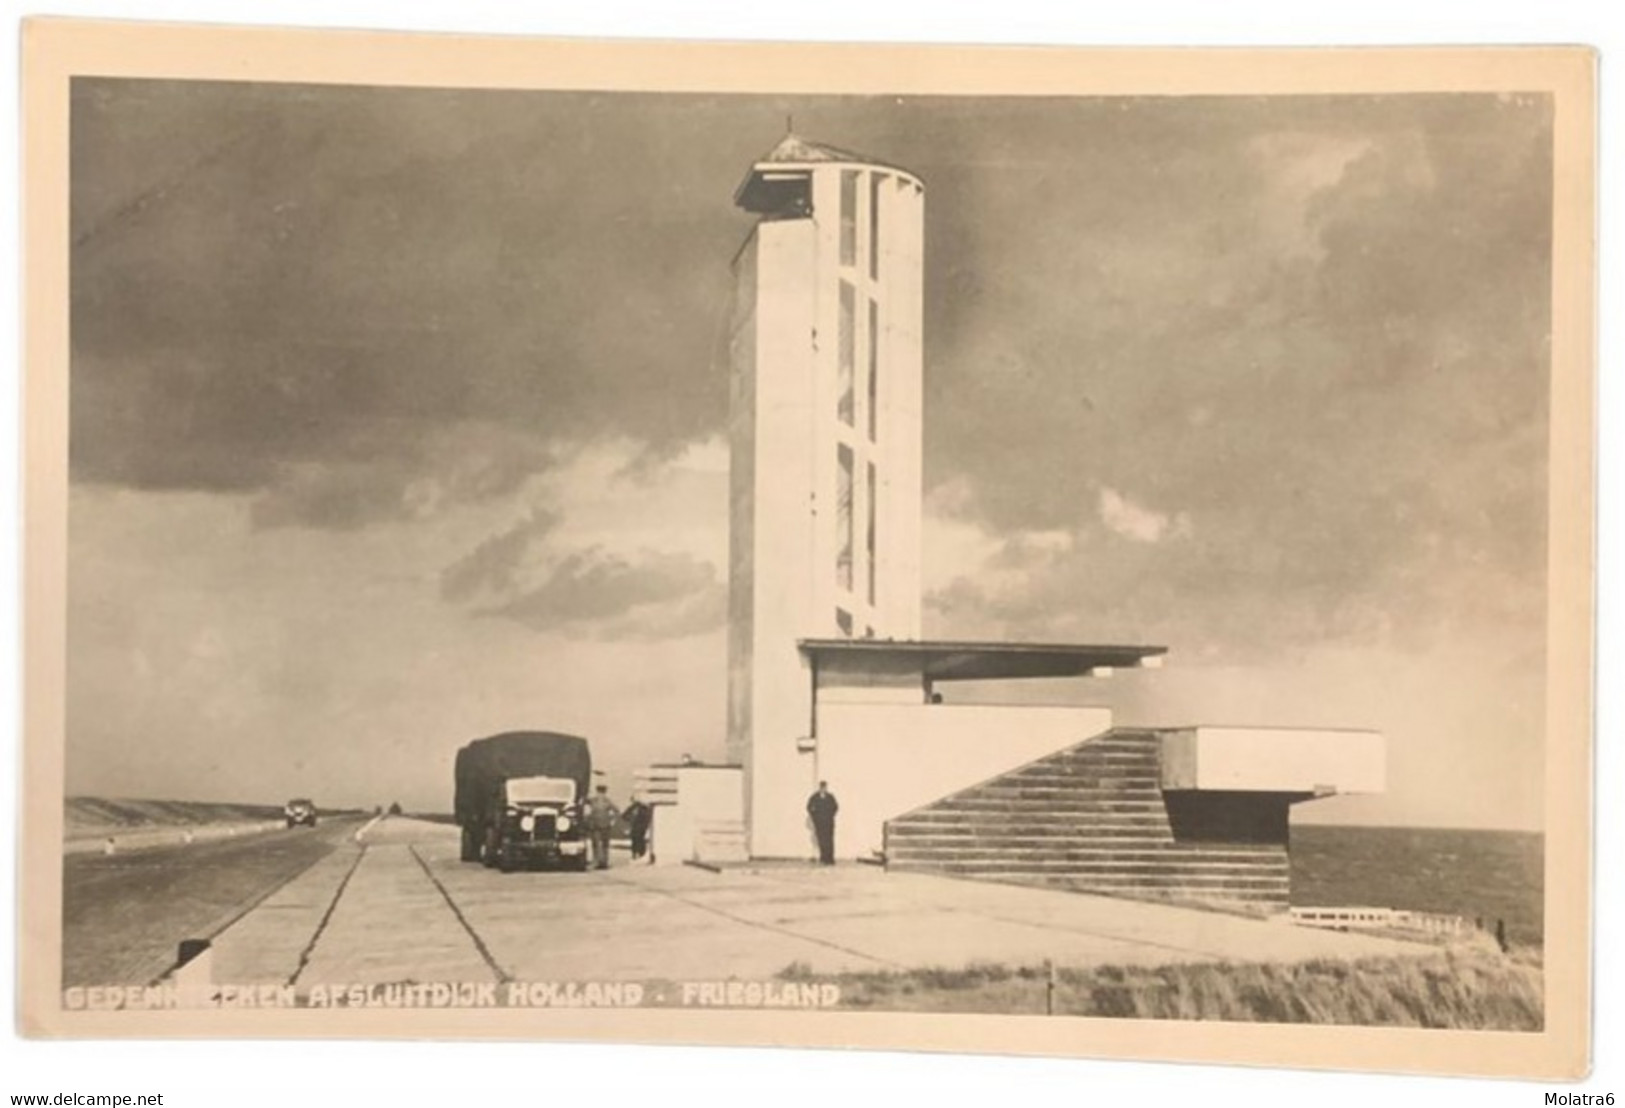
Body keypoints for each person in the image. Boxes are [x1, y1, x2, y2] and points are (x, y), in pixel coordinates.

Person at [584, 784, 619, 870]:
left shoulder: (594, 800)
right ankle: (602, 862)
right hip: (602, 824)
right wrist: (612, 821)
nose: (600, 794)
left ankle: (599, 861)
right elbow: (616, 811)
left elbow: (616, 811)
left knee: (598, 844)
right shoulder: (606, 801)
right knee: (603, 844)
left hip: (597, 824)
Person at [806, 781, 839, 865]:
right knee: (822, 840)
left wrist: (830, 815)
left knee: (829, 840)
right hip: (820, 823)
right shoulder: (815, 797)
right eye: (822, 787)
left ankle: (830, 858)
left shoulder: (830, 797)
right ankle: (823, 858)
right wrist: (815, 817)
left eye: (825, 787)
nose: (823, 789)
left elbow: (835, 807)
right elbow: (809, 807)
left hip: (829, 823)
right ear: (820, 788)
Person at [624, 795, 653, 863]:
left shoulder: (638, 807)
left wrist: (630, 819)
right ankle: (639, 854)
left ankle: (637, 854)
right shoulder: (643, 807)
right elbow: (624, 815)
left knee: (636, 840)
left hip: (637, 826)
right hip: (639, 827)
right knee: (638, 840)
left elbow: (624, 815)